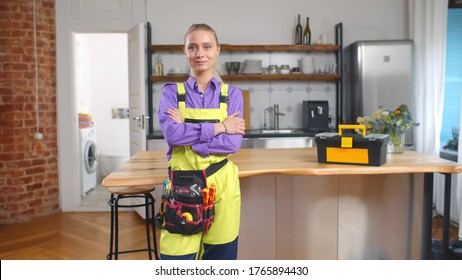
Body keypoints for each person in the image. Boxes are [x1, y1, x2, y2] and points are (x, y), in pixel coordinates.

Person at [157, 23, 245, 260]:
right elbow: (172, 136)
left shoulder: (233, 95)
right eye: (193, 47)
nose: (200, 53)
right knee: (177, 261)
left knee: (221, 258)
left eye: (207, 46)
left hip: (223, 187)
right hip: (182, 186)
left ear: (218, 50)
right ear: (185, 51)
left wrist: (189, 139)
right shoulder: (170, 93)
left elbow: (232, 145)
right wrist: (221, 127)